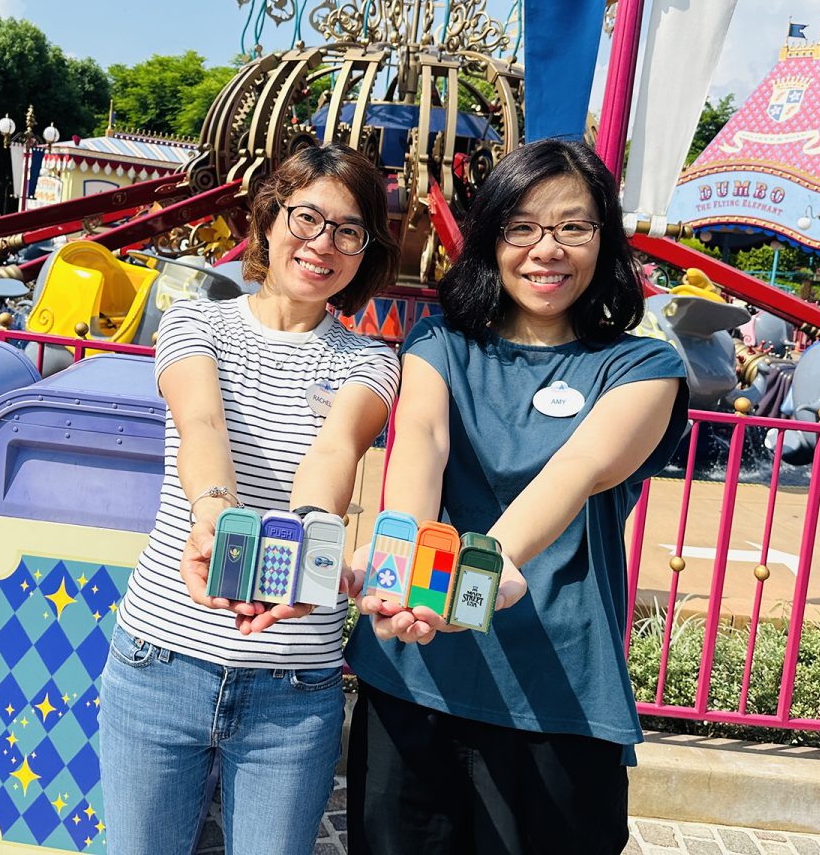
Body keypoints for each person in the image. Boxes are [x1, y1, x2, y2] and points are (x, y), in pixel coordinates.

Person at [345, 139, 688, 855]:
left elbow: (579, 468)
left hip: (558, 693)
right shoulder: (440, 345)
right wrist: (402, 578)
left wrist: (484, 566)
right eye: (522, 227)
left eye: (573, 227)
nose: (547, 249)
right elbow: (421, 450)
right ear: (492, 237)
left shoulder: (643, 366)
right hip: (416, 675)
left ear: (605, 240)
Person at [101, 144, 402, 855]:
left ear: (366, 251)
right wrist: (214, 517)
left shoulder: (371, 361)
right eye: (307, 218)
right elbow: (201, 423)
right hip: (160, 658)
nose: (322, 244)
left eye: (348, 230)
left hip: (294, 685)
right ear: (269, 219)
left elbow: (333, 453)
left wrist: (297, 554)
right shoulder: (195, 323)